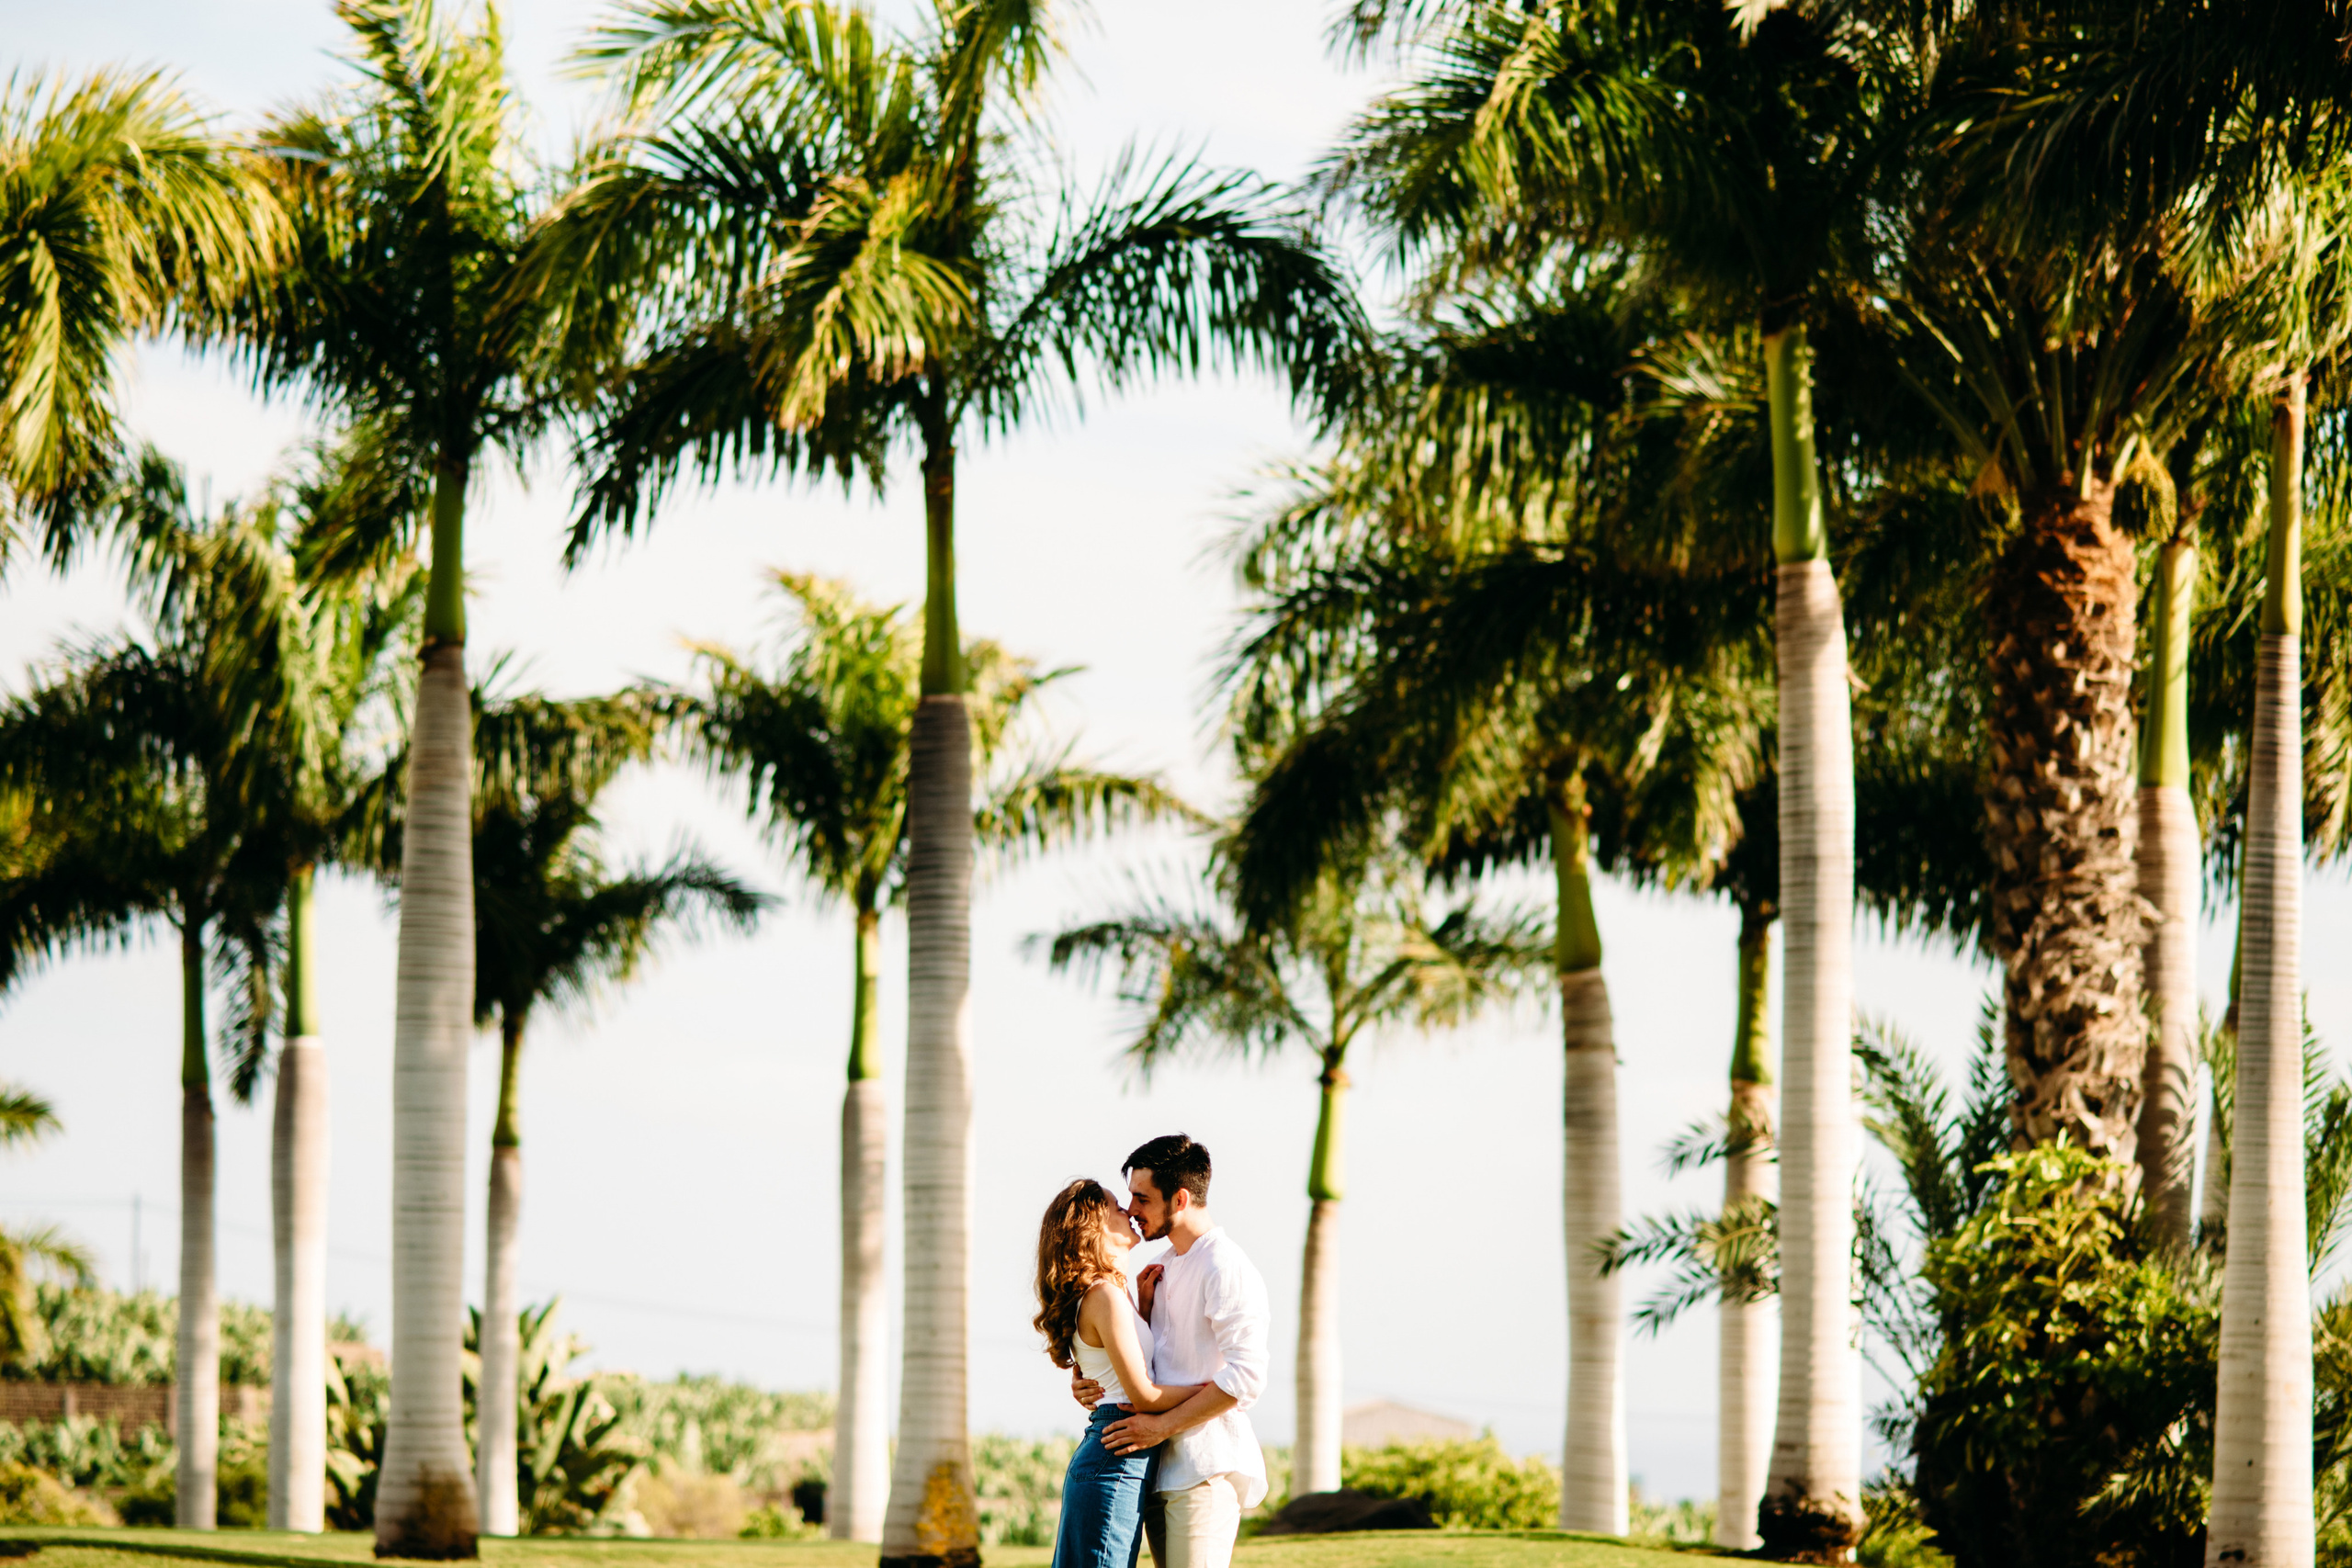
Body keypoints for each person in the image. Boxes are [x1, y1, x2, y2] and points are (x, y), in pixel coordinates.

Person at [1076, 1134, 1271, 1568]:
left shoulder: (1224, 1265)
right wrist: (1089, 1376)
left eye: (1142, 1199)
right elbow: (1150, 1360)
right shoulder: (1160, 1268)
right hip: (1159, 1471)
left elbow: (1247, 1378)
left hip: (1204, 1470)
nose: (1131, 1210)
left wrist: (1161, 1427)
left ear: (1179, 1199)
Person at [1033, 1179, 1207, 1568]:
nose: (1128, 1211)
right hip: (1116, 1453)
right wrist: (1214, 1388)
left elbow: (1118, 1365)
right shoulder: (1104, 1296)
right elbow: (1142, 1396)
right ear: (1092, 1226)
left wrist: (1142, 1311)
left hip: (1109, 1451)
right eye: (1115, 1206)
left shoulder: (1111, 1292)